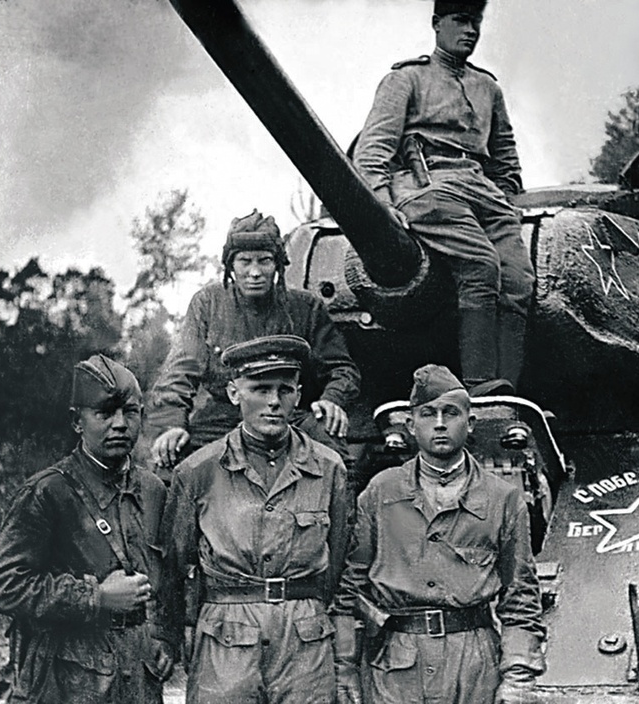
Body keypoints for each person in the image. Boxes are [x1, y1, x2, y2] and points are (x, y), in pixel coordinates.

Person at [332, 364, 545, 704]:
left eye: (451, 413)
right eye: (428, 414)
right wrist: (344, 666)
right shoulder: (381, 492)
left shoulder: (502, 499)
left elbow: (520, 596)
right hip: (395, 667)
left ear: (470, 423)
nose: (440, 423)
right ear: (411, 424)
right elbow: (349, 589)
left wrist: (518, 677)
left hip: (473, 666)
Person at [353, 0, 535, 393]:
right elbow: (373, 148)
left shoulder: (488, 88)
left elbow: (505, 158)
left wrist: (505, 200)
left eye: (476, 23)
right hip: (428, 184)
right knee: (481, 264)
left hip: (483, 190)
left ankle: (510, 392)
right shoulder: (407, 79)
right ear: (437, 24)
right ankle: (480, 385)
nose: (471, 31)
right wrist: (382, 202)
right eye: (461, 21)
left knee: (518, 279)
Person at [160, 335, 350, 703]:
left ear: (299, 394)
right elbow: (173, 565)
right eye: (261, 389)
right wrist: (172, 633)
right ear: (234, 393)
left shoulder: (329, 469)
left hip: (305, 643)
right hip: (226, 640)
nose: (274, 402)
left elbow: (338, 563)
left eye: (285, 390)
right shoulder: (198, 471)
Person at [0, 355, 173, 702]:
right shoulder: (47, 493)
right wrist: (96, 597)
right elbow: (3, 585)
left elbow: (168, 577)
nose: (120, 424)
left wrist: (164, 637)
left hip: (137, 680)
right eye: (105, 413)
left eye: (130, 412)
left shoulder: (153, 491)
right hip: (67, 681)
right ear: (77, 421)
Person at [146, 209, 360, 473]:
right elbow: (180, 371)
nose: (255, 272)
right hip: (224, 415)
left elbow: (342, 369)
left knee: (334, 457)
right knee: (173, 459)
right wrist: (171, 425)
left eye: (265, 261)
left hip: (286, 413)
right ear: (230, 266)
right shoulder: (208, 303)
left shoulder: (306, 307)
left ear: (278, 265)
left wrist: (332, 400)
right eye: (245, 261)